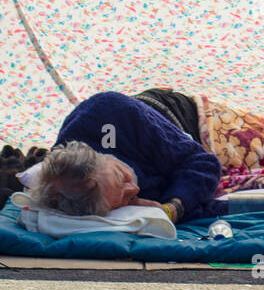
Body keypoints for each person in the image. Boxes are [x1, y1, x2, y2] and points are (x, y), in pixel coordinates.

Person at [30, 90, 224, 222]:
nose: (135, 188)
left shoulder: (111, 113)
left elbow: (202, 163)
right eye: (125, 200)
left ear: (100, 155)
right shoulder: (76, 190)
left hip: (187, 113)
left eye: (122, 177)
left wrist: (174, 207)